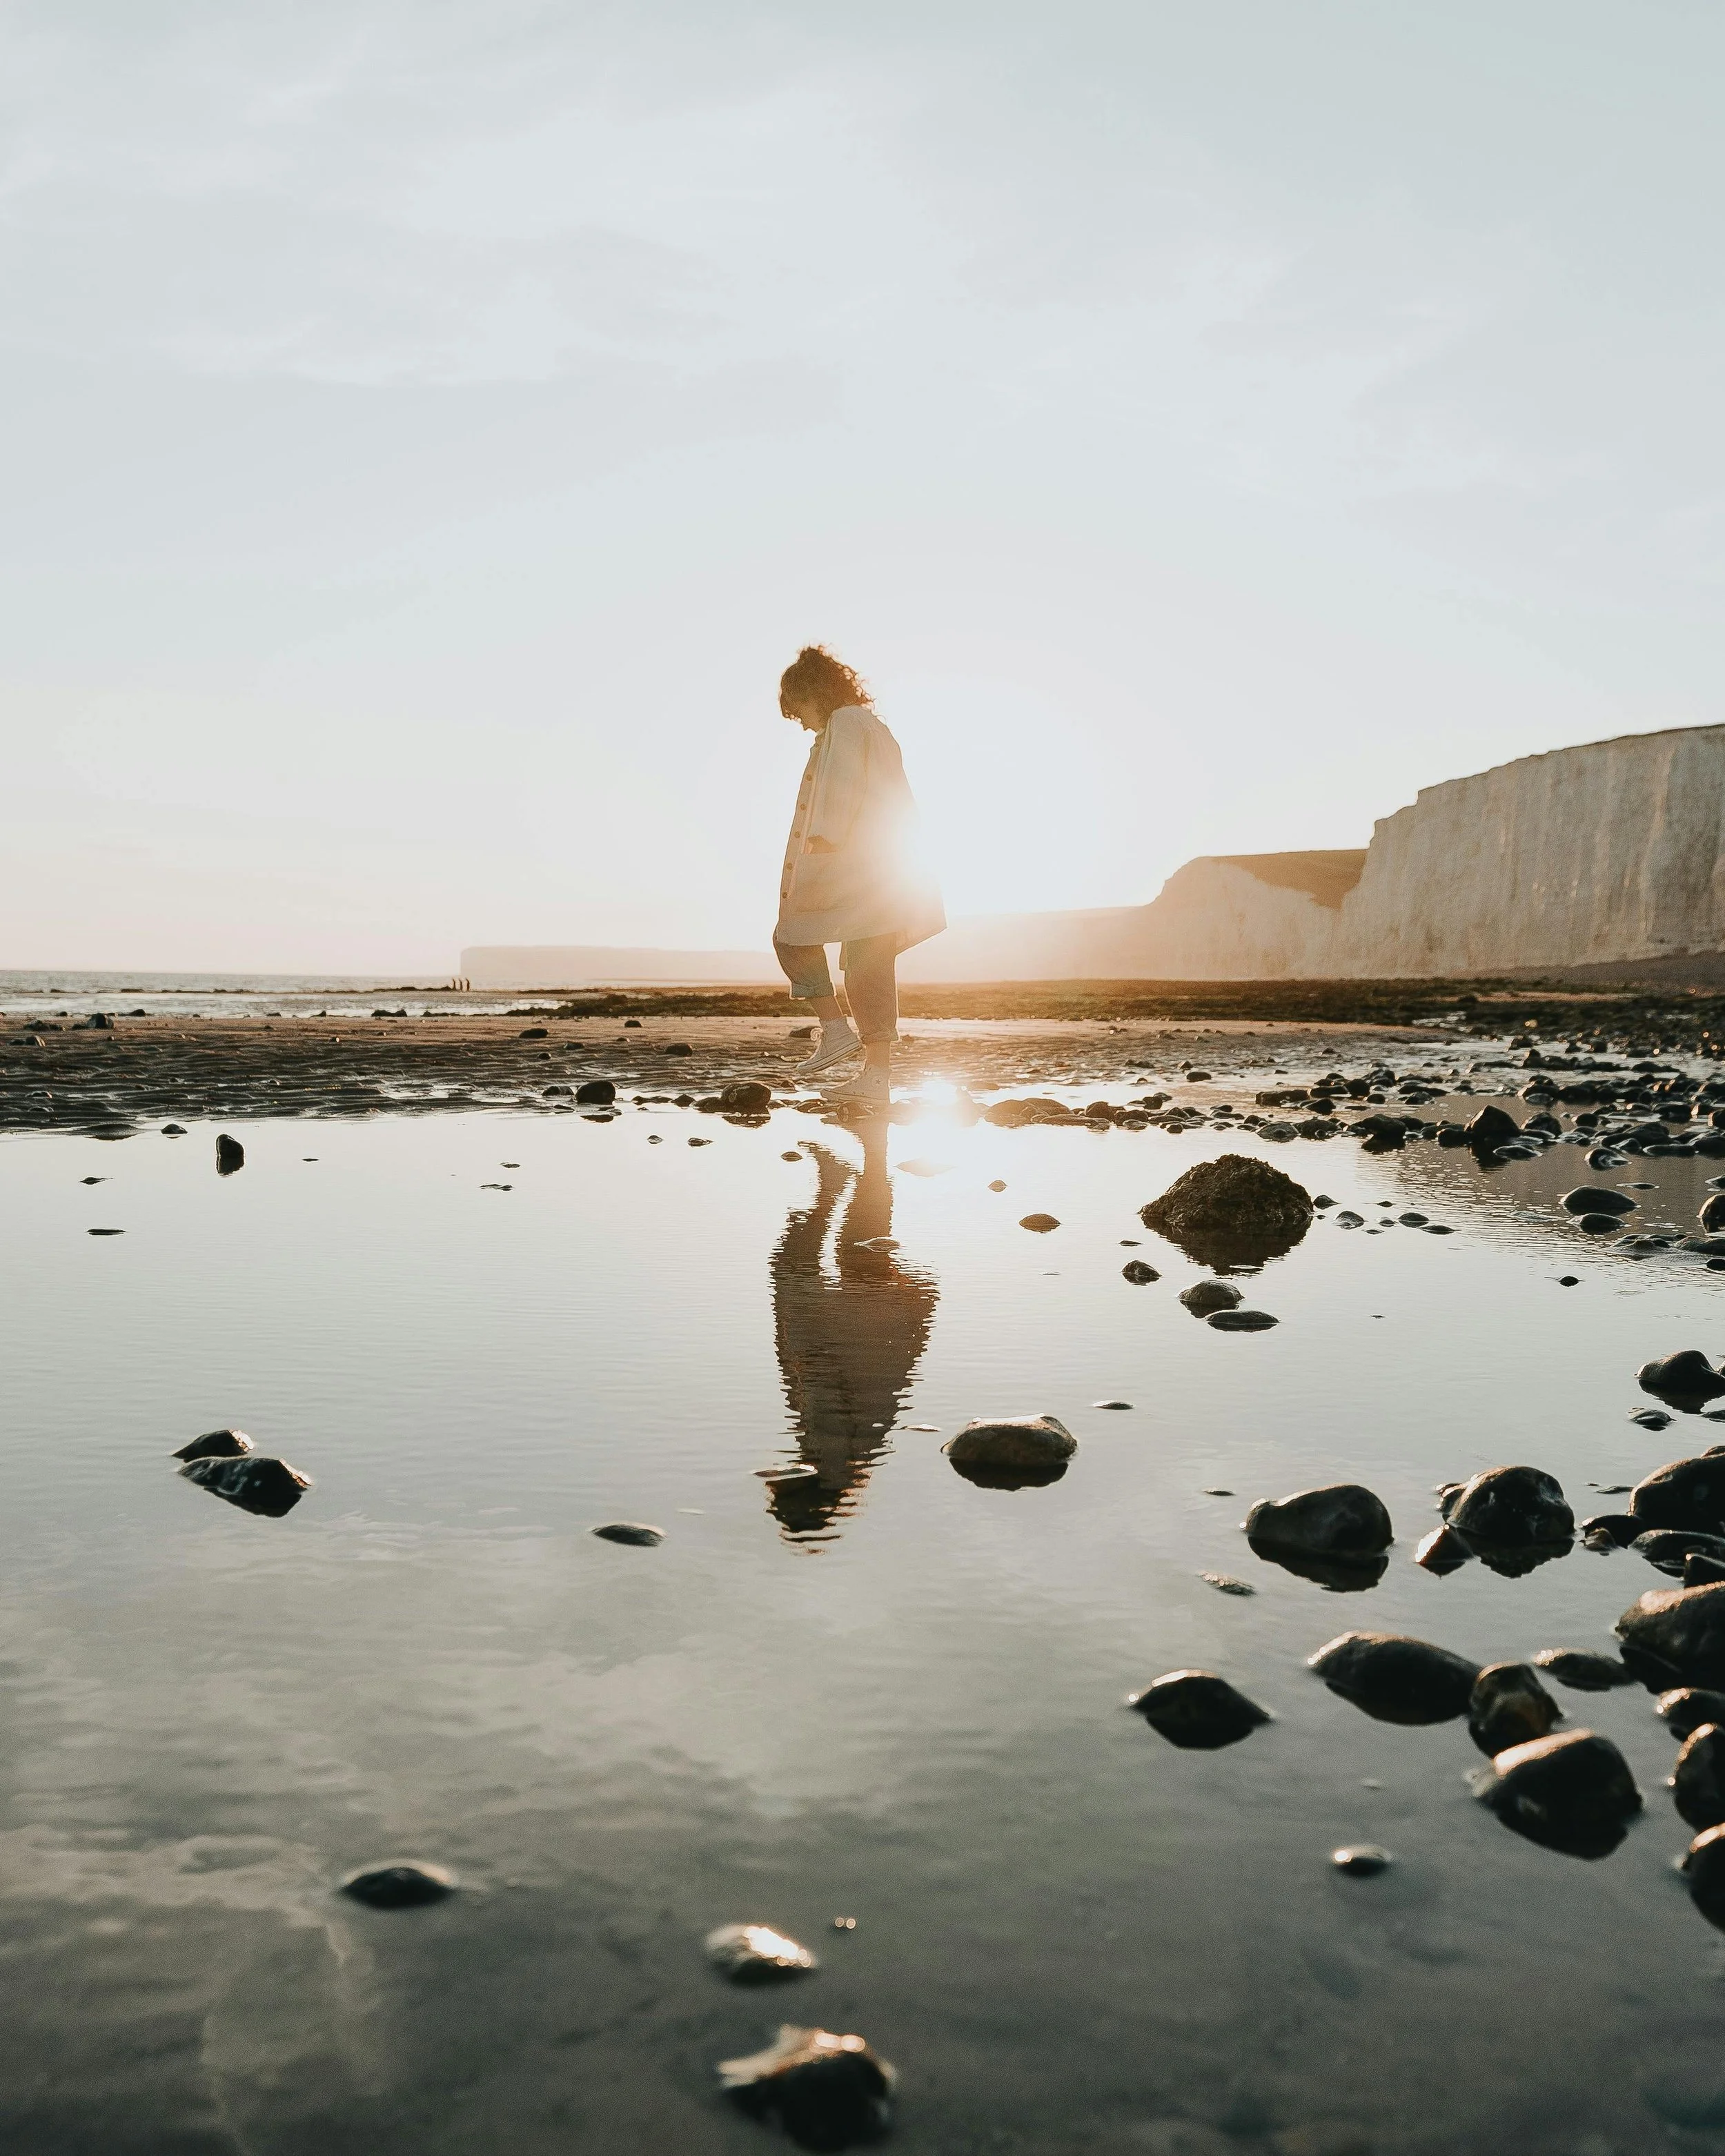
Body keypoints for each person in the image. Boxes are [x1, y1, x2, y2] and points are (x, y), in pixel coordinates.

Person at [773, 645, 945, 1106]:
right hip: (882, 866)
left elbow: (843, 783)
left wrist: (824, 839)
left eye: (801, 711)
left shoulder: (846, 724)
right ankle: (876, 1077)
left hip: (851, 863)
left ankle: (834, 1030)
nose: (804, 723)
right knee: (869, 966)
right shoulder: (872, 725)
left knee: (790, 936)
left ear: (814, 693)